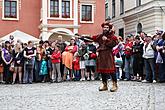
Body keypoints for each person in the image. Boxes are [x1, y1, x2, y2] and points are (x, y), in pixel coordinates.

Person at [92, 22, 118, 92]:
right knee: (102, 70)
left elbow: (113, 44)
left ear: (109, 28)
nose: (105, 29)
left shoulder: (113, 36)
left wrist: (106, 40)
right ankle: (104, 85)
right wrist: (83, 37)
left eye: (107, 27)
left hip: (108, 55)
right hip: (101, 55)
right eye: (104, 27)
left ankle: (114, 85)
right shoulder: (100, 36)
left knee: (111, 70)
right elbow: (93, 38)